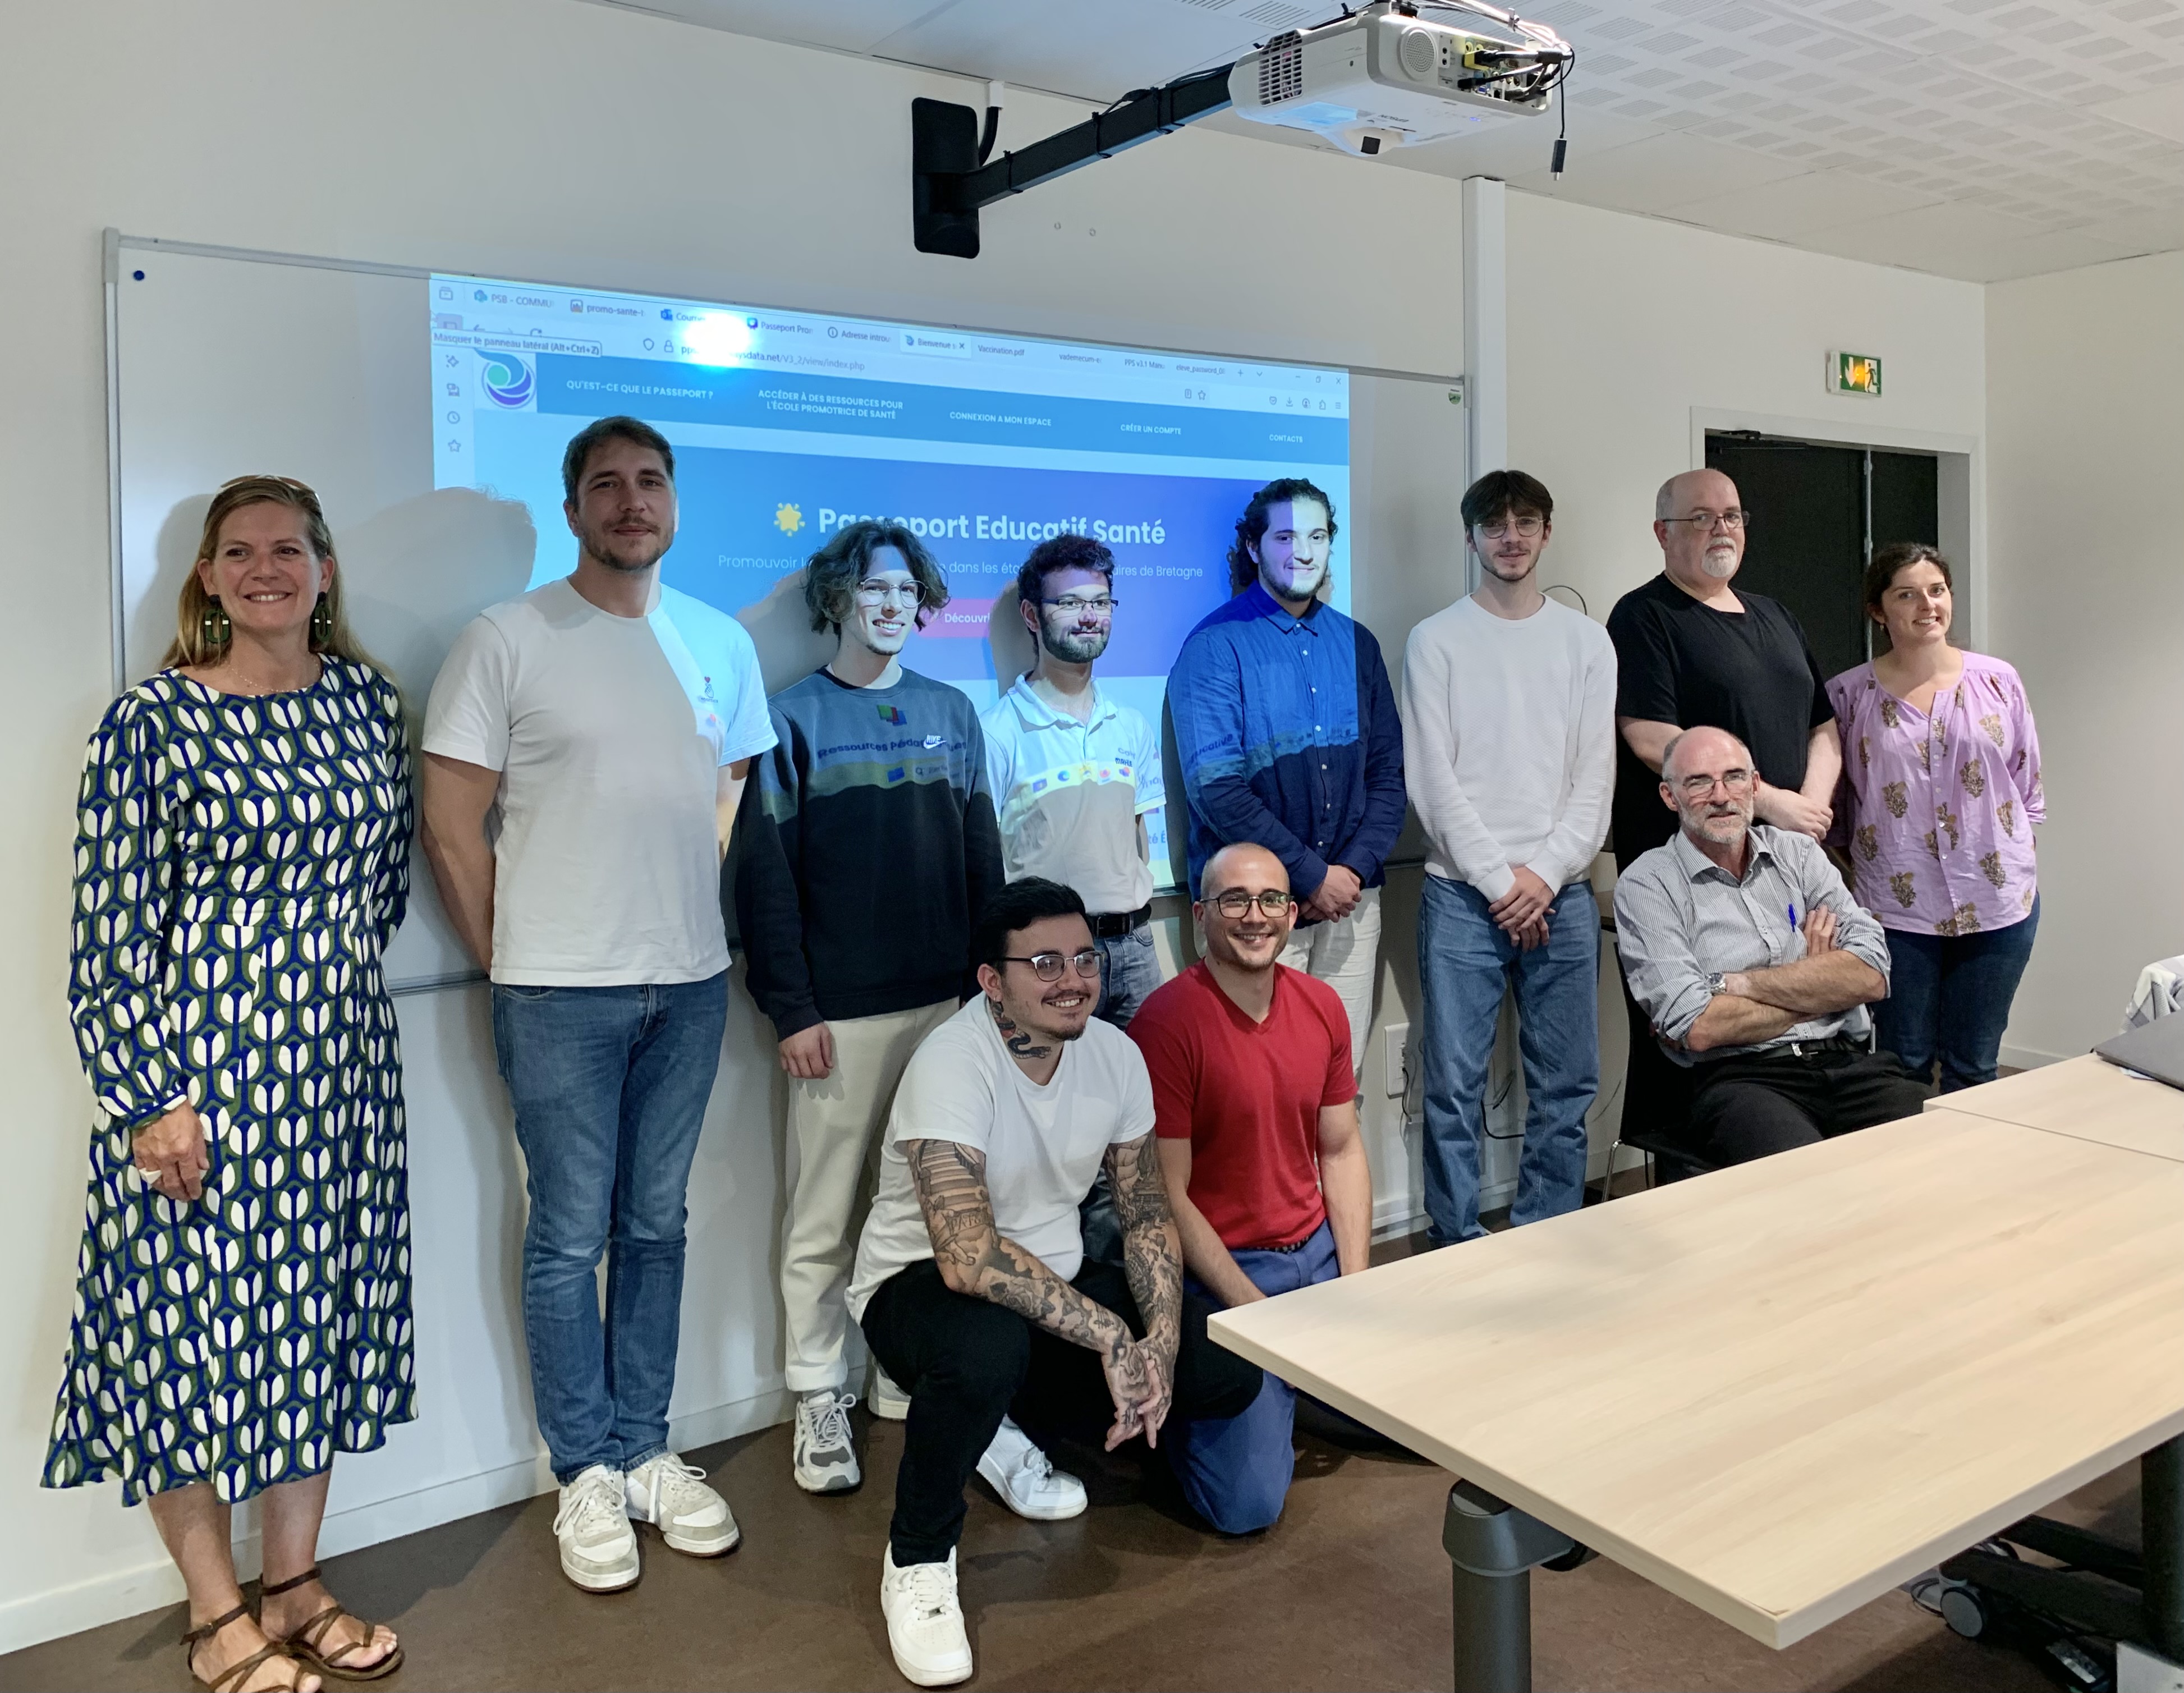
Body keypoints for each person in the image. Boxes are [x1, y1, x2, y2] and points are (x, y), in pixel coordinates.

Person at [46, 476, 410, 1691]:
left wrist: (320, 999)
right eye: (239, 552)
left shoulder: (367, 702)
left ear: (323, 569)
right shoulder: (149, 723)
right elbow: (106, 942)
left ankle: (294, 1583)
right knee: (180, 1346)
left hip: (341, 1082)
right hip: (199, 1089)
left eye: (288, 549)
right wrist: (152, 1099)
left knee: (313, 1329)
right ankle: (216, 1615)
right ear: (207, 577)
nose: (266, 569)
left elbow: (382, 893)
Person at [422, 416, 772, 1593]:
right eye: (607, 484)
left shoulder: (718, 641)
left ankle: (644, 1448)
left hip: (690, 983)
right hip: (556, 993)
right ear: (571, 508)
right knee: (569, 1234)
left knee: (658, 1224)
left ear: (673, 501)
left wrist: (676, 917)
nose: (632, 501)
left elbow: (724, 792)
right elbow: (450, 822)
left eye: (650, 481)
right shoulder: (507, 638)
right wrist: (509, 956)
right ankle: (582, 1468)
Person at [848, 878, 1263, 1689]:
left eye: (1084, 958)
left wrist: (1158, 1343)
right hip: (916, 1288)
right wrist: (1110, 1335)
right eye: (1044, 963)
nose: (1073, 979)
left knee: (1224, 1365)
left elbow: (1146, 1214)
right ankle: (918, 1560)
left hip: (1055, 1288)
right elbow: (968, 1256)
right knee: (985, 1351)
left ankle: (999, 1424)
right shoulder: (951, 1062)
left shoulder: (1115, 1055)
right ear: (992, 980)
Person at [734, 520, 1008, 1497]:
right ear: (836, 602)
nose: (891, 606)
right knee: (821, 1217)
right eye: (872, 589)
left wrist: (991, 992)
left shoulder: (952, 712)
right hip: (838, 1018)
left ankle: (903, 1365)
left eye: (904, 591)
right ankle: (819, 1392)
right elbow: (764, 880)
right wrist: (791, 1008)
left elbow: (984, 862)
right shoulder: (790, 718)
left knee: (922, 1208)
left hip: (946, 1007)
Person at [1401, 470, 1616, 1243]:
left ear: (1547, 533)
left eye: (1526, 523)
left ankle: (1547, 1237)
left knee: (1567, 1084)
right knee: (1452, 1086)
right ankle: (1454, 1244)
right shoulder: (1435, 640)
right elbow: (1432, 781)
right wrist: (1503, 883)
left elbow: (1594, 779)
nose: (1511, 537)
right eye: (1494, 525)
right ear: (1471, 539)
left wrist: (1544, 876)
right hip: (1462, 895)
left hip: (1562, 893)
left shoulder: (1586, 641)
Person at [1129, 843, 1370, 1530]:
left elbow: (1341, 1149)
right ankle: (1230, 1399)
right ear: (1200, 914)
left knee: (1435, 1418)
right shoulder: (1165, 1024)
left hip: (1316, 1258)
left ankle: (1298, 1389)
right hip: (1227, 1273)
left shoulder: (1321, 1005)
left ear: (1292, 913)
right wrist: (1261, 1320)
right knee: (1246, 1507)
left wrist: (1356, 1289)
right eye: (1234, 899)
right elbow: (1168, 1196)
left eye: (1270, 900)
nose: (1254, 916)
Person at [1606, 468, 1841, 1145]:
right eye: (1702, 517)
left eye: (1732, 515)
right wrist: (1768, 801)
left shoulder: (1776, 614)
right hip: (1692, 870)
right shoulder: (1644, 616)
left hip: (1779, 860)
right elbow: (1647, 734)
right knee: (1704, 1028)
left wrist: (1807, 810)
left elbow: (1823, 726)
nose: (1721, 529)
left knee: (1803, 991)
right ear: (1663, 533)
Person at [1167, 478, 1405, 1072]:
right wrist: (1311, 875)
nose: (1303, 552)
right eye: (1285, 537)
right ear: (1254, 547)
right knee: (1257, 1085)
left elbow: (1388, 775)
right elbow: (1217, 789)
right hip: (1254, 908)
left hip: (1352, 904)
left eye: (1317, 537)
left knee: (1340, 1081)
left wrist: (1349, 873)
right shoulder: (1213, 646)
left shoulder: (1358, 643)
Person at [1613, 727, 1929, 1166]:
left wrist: (1733, 984)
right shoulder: (1648, 884)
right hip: (1741, 1079)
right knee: (1808, 1175)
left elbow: (1871, 974)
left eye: (1735, 777)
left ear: (1755, 785)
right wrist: (1820, 990)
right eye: (1699, 782)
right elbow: (1700, 1026)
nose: (1721, 795)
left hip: (1848, 1065)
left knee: (1950, 1145)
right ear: (1670, 796)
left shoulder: (1799, 854)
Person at [1828, 543, 2044, 1091]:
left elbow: (2027, 785)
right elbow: (1839, 807)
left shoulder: (1999, 681)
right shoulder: (1847, 695)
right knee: (1902, 1063)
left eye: (1936, 590)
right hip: (1895, 910)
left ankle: (1970, 1154)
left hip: (1998, 903)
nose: (1927, 604)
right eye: (1906, 594)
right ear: (1878, 610)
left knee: (1975, 1064)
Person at [982, 533, 1167, 1029]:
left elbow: (1137, 839)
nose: (1089, 616)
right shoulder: (998, 732)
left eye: (1100, 602)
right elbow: (984, 862)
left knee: (1146, 1077)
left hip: (1136, 948)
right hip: (1048, 957)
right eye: (1069, 603)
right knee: (1051, 1079)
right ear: (1031, 615)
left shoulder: (1131, 724)